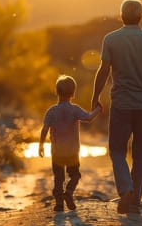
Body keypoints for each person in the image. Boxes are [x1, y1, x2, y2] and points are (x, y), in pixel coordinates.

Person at [91, 0, 142, 214]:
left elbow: (103, 71)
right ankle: (135, 201)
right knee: (140, 152)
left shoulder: (111, 39)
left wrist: (96, 96)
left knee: (117, 150)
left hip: (121, 105)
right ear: (141, 16)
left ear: (121, 15)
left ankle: (125, 189)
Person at [39, 75, 102, 212]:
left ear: (57, 92)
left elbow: (44, 130)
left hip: (57, 152)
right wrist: (98, 109)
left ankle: (59, 204)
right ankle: (68, 192)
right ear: (73, 93)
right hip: (72, 151)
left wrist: (41, 145)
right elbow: (89, 118)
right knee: (75, 175)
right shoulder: (74, 109)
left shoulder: (51, 111)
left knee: (58, 178)